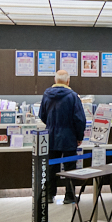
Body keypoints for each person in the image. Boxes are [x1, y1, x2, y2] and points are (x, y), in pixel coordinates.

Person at [39, 69, 86, 205]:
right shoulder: (73, 96)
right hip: (68, 136)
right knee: (70, 167)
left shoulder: (46, 95)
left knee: (51, 167)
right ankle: (69, 196)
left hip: (51, 136)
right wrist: (79, 136)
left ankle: (49, 195)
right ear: (68, 81)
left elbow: (42, 115)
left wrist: (51, 125)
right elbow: (79, 119)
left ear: (55, 80)